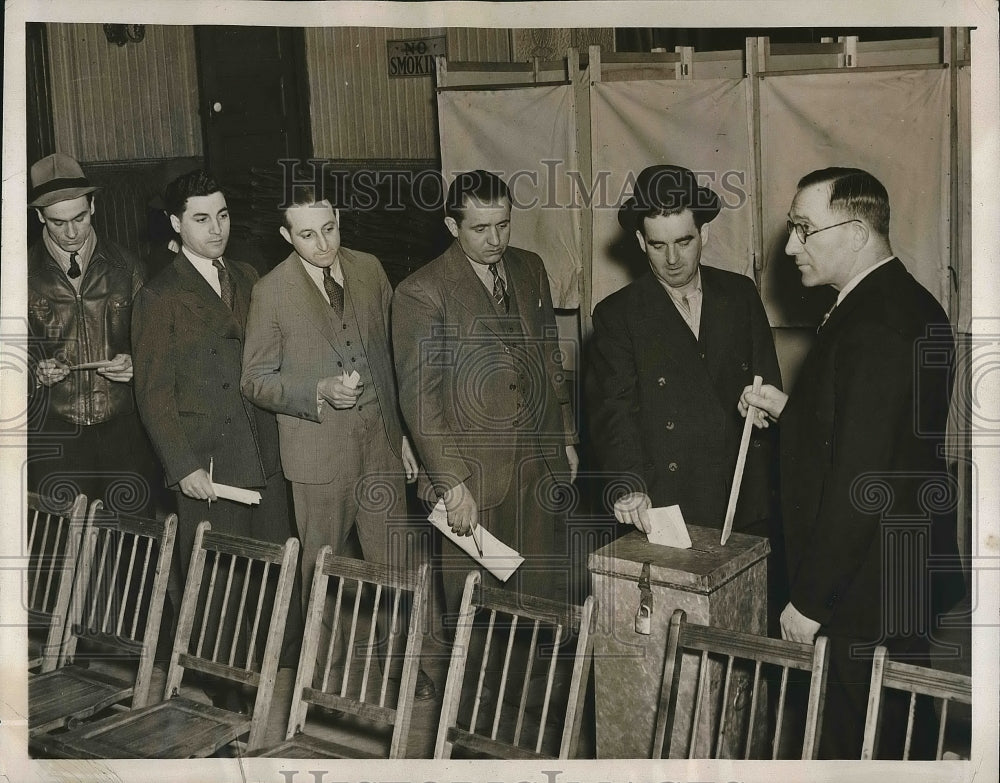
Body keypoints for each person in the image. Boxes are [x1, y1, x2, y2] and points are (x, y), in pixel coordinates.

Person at [740, 167, 963, 758]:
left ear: (858, 233)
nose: (789, 246)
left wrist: (811, 602)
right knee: (893, 740)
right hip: (895, 578)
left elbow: (864, 481)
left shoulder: (873, 325)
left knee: (854, 748)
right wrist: (792, 412)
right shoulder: (904, 302)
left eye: (804, 229)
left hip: (860, 595)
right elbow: (878, 442)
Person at [241, 187, 435, 701]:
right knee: (320, 568)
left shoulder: (370, 269)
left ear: (338, 218)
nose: (322, 243)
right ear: (286, 236)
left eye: (329, 228)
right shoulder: (271, 290)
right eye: (306, 235)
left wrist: (406, 438)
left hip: (381, 446)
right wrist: (316, 392)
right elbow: (255, 379)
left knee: (395, 562)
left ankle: (404, 668)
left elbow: (394, 361)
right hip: (317, 456)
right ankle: (319, 678)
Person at [131, 169, 301, 709]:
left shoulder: (250, 276)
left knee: (269, 577)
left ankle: (264, 679)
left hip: (262, 453)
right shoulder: (159, 294)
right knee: (219, 588)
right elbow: (153, 393)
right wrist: (182, 467)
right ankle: (225, 697)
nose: (216, 228)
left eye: (223, 215)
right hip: (207, 466)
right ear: (177, 225)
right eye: (202, 219)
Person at [392, 170, 579, 623]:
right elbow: (420, 402)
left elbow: (549, 358)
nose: (495, 239)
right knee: (474, 611)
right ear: (453, 227)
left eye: (503, 224)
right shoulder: (421, 292)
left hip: (537, 463)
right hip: (471, 480)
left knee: (538, 603)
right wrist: (452, 485)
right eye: (479, 228)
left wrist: (566, 437)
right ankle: (472, 695)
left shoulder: (530, 268)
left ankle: (533, 695)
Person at [588, 164, 781, 546]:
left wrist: (763, 408)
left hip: (743, 493)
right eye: (658, 245)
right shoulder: (617, 314)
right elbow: (615, 409)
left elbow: (767, 379)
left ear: (704, 234)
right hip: (667, 502)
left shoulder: (741, 294)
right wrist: (628, 485)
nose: (672, 258)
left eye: (684, 241)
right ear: (641, 241)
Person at [26, 152, 156, 514]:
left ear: (94, 206)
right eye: (57, 222)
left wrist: (136, 364)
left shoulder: (127, 267)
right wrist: (34, 370)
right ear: (39, 217)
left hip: (123, 429)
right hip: (55, 431)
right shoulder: (19, 276)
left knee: (134, 544)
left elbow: (154, 346)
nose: (71, 232)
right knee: (63, 548)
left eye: (79, 218)